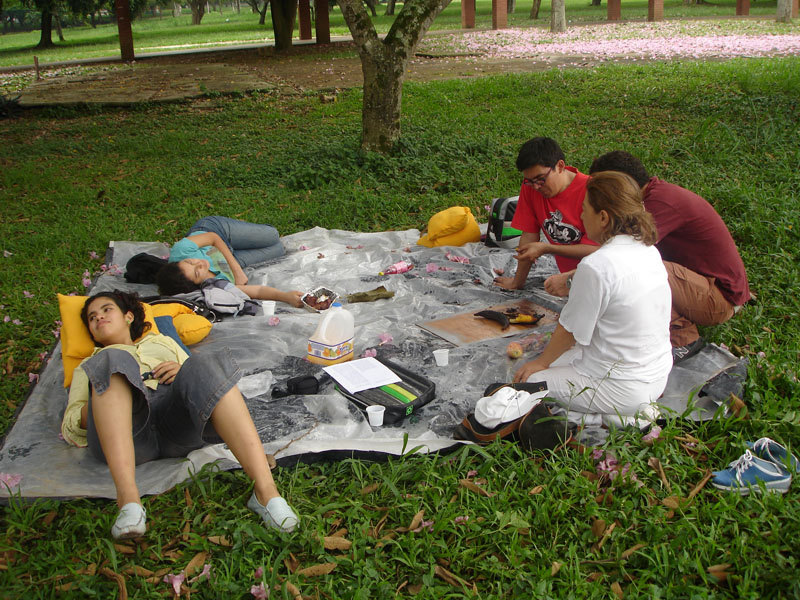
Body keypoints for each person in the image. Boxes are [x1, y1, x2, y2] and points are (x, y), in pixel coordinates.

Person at [61, 290, 299, 539]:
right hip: (129, 435)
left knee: (203, 362)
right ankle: (129, 502)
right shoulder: (91, 364)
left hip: (176, 424)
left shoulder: (161, 342)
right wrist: (108, 392)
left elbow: (204, 382)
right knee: (114, 362)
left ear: (128, 316)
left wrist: (181, 370)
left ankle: (267, 493)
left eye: (106, 309)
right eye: (92, 317)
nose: (98, 318)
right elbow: (72, 424)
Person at [545, 151, 752, 361]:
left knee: (644, 269)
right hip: (699, 284)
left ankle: (683, 340)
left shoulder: (657, 204)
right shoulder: (651, 197)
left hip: (719, 299)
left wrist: (573, 279)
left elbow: (620, 259)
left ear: (624, 185)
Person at [513, 171, 672, 428]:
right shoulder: (648, 249)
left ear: (603, 217)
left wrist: (540, 363)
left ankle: (616, 415)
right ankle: (623, 413)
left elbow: (570, 330)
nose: (582, 217)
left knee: (530, 379)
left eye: (584, 210)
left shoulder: (596, 265)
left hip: (622, 386)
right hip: (657, 375)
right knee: (563, 359)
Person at [493, 137, 598, 291]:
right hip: (566, 281)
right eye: (529, 181)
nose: (535, 187)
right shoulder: (530, 187)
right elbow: (529, 235)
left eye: (541, 179)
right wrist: (517, 282)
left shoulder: (592, 191)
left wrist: (547, 248)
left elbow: (598, 250)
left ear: (560, 166)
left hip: (597, 278)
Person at [157, 216, 304, 307]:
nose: (199, 263)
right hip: (226, 261)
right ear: (197, 285)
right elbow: (258, 291)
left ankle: (238, 244)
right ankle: (238, 249)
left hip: (216, 232)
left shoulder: (181, 250)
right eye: (197, 272)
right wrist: (286, 297)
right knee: (279, 250)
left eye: (190, 262)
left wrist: (237, 271)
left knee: (273, 235)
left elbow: (213, 238)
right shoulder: (212, 289)